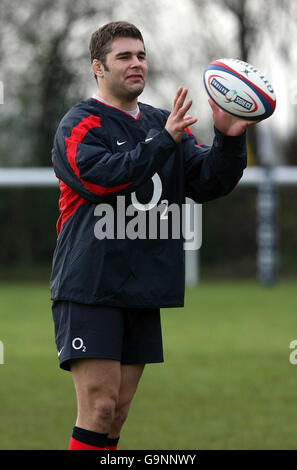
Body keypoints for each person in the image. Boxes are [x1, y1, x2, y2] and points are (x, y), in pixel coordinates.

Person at [50, 21, 255, 451]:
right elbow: (102, 179)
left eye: (141, 55)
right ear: (98, 68)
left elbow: (207, 183)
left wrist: (228, 138)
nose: (136, 63)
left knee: (118, 412)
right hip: (91, 284)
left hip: (142, 285)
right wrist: (164, 140)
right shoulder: (80, 124)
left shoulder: (167, 122)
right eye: (124, 56)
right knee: (99, 407)